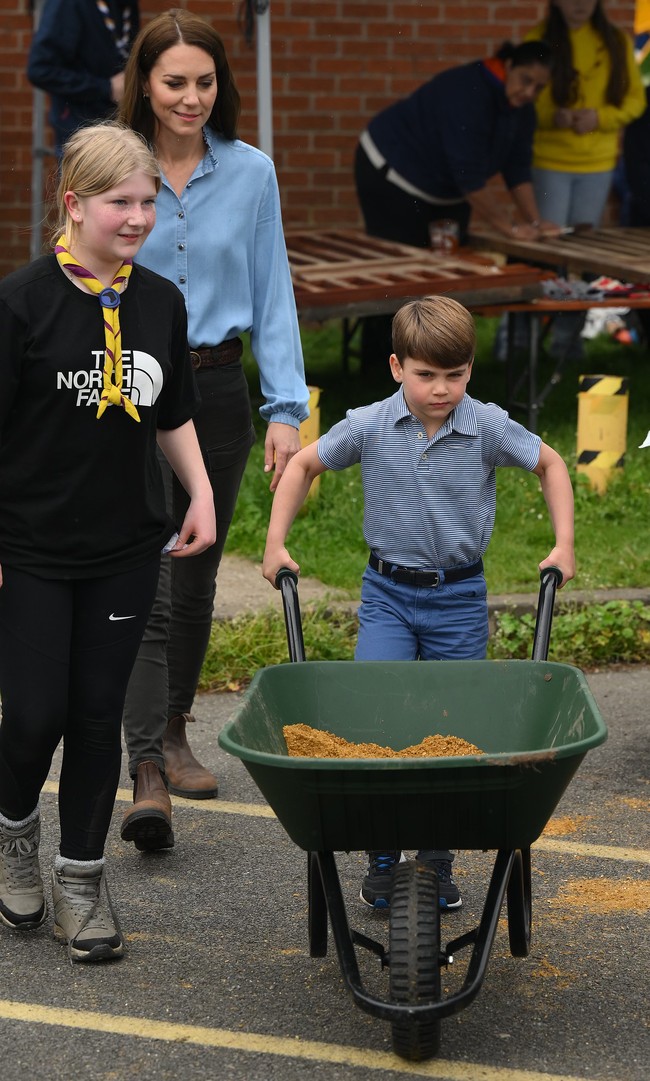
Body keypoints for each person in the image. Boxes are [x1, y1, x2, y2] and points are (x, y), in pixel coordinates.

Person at [262, 295, 575, 911]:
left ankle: (436, 858)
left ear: (469, 371)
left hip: (458, 596)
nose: (441, 389)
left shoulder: (485, 425)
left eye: (454, 376)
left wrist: (563, 544)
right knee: (378, 717)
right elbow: (301, 465)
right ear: (396, 366)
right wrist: (275, 543)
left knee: (451, 725)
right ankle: (382, 853)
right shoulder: (371, 423)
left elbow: (550, 463)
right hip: (387, 595)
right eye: (426, 374)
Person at [0, 122, 216, 961]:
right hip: (32, 548)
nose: (136, 217)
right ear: (74, 203)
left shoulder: (160, 301)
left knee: (97, 718)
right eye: (119, 202)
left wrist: (197, 491)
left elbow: (171, 412)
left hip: (127, 544)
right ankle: (17, 835)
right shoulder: (20, 304)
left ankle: (82, 880)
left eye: (148, 201)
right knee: (35, 717)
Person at [116, 8, 310, 852]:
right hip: (130, 394)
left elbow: (273, 290)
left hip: (221, 389)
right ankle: (145, 767)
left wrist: (287, 406)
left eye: (205, 82)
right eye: (173, 82)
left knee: (196, 579)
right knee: (151, 580)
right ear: (143, 86)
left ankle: (177, 728)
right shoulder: (113, 165)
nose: (192, 97)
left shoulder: (252, 172)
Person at [354, 40, 561, 368]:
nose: (530, 93)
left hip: (445, 188)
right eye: (526, 80)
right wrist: (509, 228)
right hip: (390, 172)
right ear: (507, 66)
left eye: (540, 88)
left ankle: (439, 361)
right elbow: (469, 176)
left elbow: (518, 167)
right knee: (398, 275)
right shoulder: (469, 93)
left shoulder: (523, 111)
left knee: (450, 268)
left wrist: (534, 223)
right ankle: (379, 367)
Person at [525, 0, 646, 358]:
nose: (579, 4)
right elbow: (525, 98)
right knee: (542, 256)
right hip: (550, 161)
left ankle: (566, 344)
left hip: (597, 165)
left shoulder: (616, 42)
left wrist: (600, 118)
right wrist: (553, 116)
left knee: (581, 258)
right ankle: (517, 343)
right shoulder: (539, 38)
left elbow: (635, 102)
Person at [27, 0, 140, 157]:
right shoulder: (67, 4)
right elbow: (40, 69)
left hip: (118, 124)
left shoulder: (126, 5)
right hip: (80, 130)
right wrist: (106, 88)